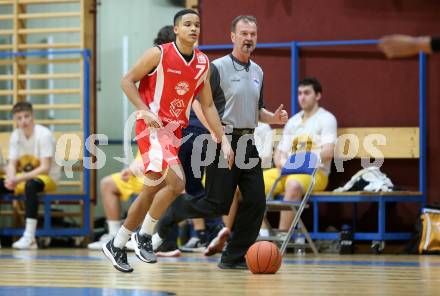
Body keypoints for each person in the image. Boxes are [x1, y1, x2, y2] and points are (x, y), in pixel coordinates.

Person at [102, 9, 233, 273]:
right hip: (150, 127)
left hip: (174, 132)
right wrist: (144, 109)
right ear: (176, 29)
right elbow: (127, 81)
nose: (193, 28)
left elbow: (207, 106)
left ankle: (119, 242)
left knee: (157, 188)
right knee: (176, 182)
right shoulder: (158, 54)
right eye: (187, 24)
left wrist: (224, 140)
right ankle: (144, 235)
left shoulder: (202, 63)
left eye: (197, 24)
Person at [155, 15, 288, 270]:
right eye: (244, 33)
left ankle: (233, 257)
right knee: (217, 203)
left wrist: (274, 117)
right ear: (233, 37)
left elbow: (258, 110)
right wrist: (219, 137)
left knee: (257, 202)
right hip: (221, 141)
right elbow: (198, 104)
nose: (249, 38)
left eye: (253, 34)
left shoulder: (258, 71)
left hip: (247, 143)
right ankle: (174, 212)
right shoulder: (217, 67)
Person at [88, 25, 177, 251]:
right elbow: (127, 81)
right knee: (119, 184)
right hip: (155, 139)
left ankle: (136, 237)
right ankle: (121, 237)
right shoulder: (155, 61)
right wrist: (134, 164)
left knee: (172, 186)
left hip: (169, 142)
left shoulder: (188, 70)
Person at [262, 77, 337, 237]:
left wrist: (300, 163)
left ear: (317, 96)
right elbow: (280, 152)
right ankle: (262, 232)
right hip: (287, 171)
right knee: (253, 182)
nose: (302, 97)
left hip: (315, 173)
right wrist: (281, 162)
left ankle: (282, 237)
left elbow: (328, 152)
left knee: (293, 184)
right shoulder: (293, 121)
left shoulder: (327, 119)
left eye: (307, 93)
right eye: (300, 93)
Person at [0, 102, 61, 249]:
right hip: (24, 177)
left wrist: (17, 178)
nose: (23, 121)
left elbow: (45, 168)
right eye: (19, 118)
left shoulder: (44, 134)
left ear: (33, 116)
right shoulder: (16, 135)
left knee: (31, 185)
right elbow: (12, 164)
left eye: (26, 116)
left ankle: (29, 236)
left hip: (48, 178)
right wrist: (10, 178)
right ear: (15, 120)